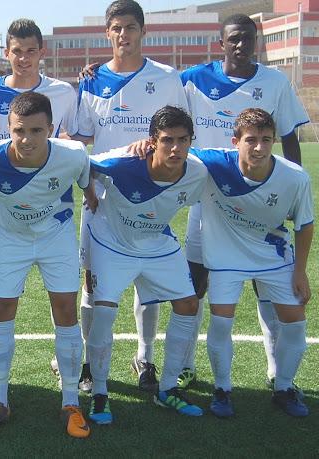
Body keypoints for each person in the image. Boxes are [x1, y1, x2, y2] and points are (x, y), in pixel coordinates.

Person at [176, 14, 310, 391]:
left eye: (248, 39)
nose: (241, 45)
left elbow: (289, 139)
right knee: (196, 283)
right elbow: (149, 83)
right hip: (209, 202)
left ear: (256, 42)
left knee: (267, 288)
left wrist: (287, 194)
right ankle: (186, 364)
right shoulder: (193, 79)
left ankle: (275, 370)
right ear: (221, 43)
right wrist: (92, 71)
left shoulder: (275, 81)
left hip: (260, 203)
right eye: (234, 39)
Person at [72, 0, 188, 393]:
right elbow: (82, 136)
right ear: (108, 33)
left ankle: (145, 356)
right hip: (101, 200)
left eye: (131, 27)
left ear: (143, 32)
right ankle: (88, 361)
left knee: (147, 282)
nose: (124, 35)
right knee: (91, 283)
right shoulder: (91, 80)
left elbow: (182, 134)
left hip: (152, 198)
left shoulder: (168, 78)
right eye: (117, 28)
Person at [0, 92, 95, 438]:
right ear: (7, 128)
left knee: (66, 310)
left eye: (37, 131)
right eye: (19, 130)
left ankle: (71, 401)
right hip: (9, 238)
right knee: (2, 310)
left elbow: (90, 185)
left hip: (56, 238)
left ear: (51, 129)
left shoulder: (72, 155)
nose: (27, 139)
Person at [0, 18, 78, 395]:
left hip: (50, 209)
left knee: (62, 292)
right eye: (17, 51)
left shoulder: (63, 92)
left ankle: (66, 368)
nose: (24, 58)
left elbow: (74, 140)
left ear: (41, 52)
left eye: (31, 50)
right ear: (6, 53)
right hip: (2, 210)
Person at [88, 106, 206, 423]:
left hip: (156, 242)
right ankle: (99, 393)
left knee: (188, 304)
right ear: (152, 140)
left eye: (183, 140)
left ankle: (167, 390)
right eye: (168, 140)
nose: (176, 148)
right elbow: (82, 165)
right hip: (111, 242)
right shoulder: (124, 162)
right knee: (104, 309)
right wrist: (90, 195)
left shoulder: (197, 171)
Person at [196, 109, 312, 417]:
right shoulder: (213, 163)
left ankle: (284, 387)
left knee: (295, 322)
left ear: (274, 140)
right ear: (236, 141)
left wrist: (300, 271)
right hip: (225, 257)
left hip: (272, 255)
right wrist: (141, 145)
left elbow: (304, 224)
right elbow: (172, 148)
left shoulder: (295, 177)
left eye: (266, 140)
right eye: (251, 140)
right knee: (221, 320)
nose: (259, 147)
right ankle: (222, 388)